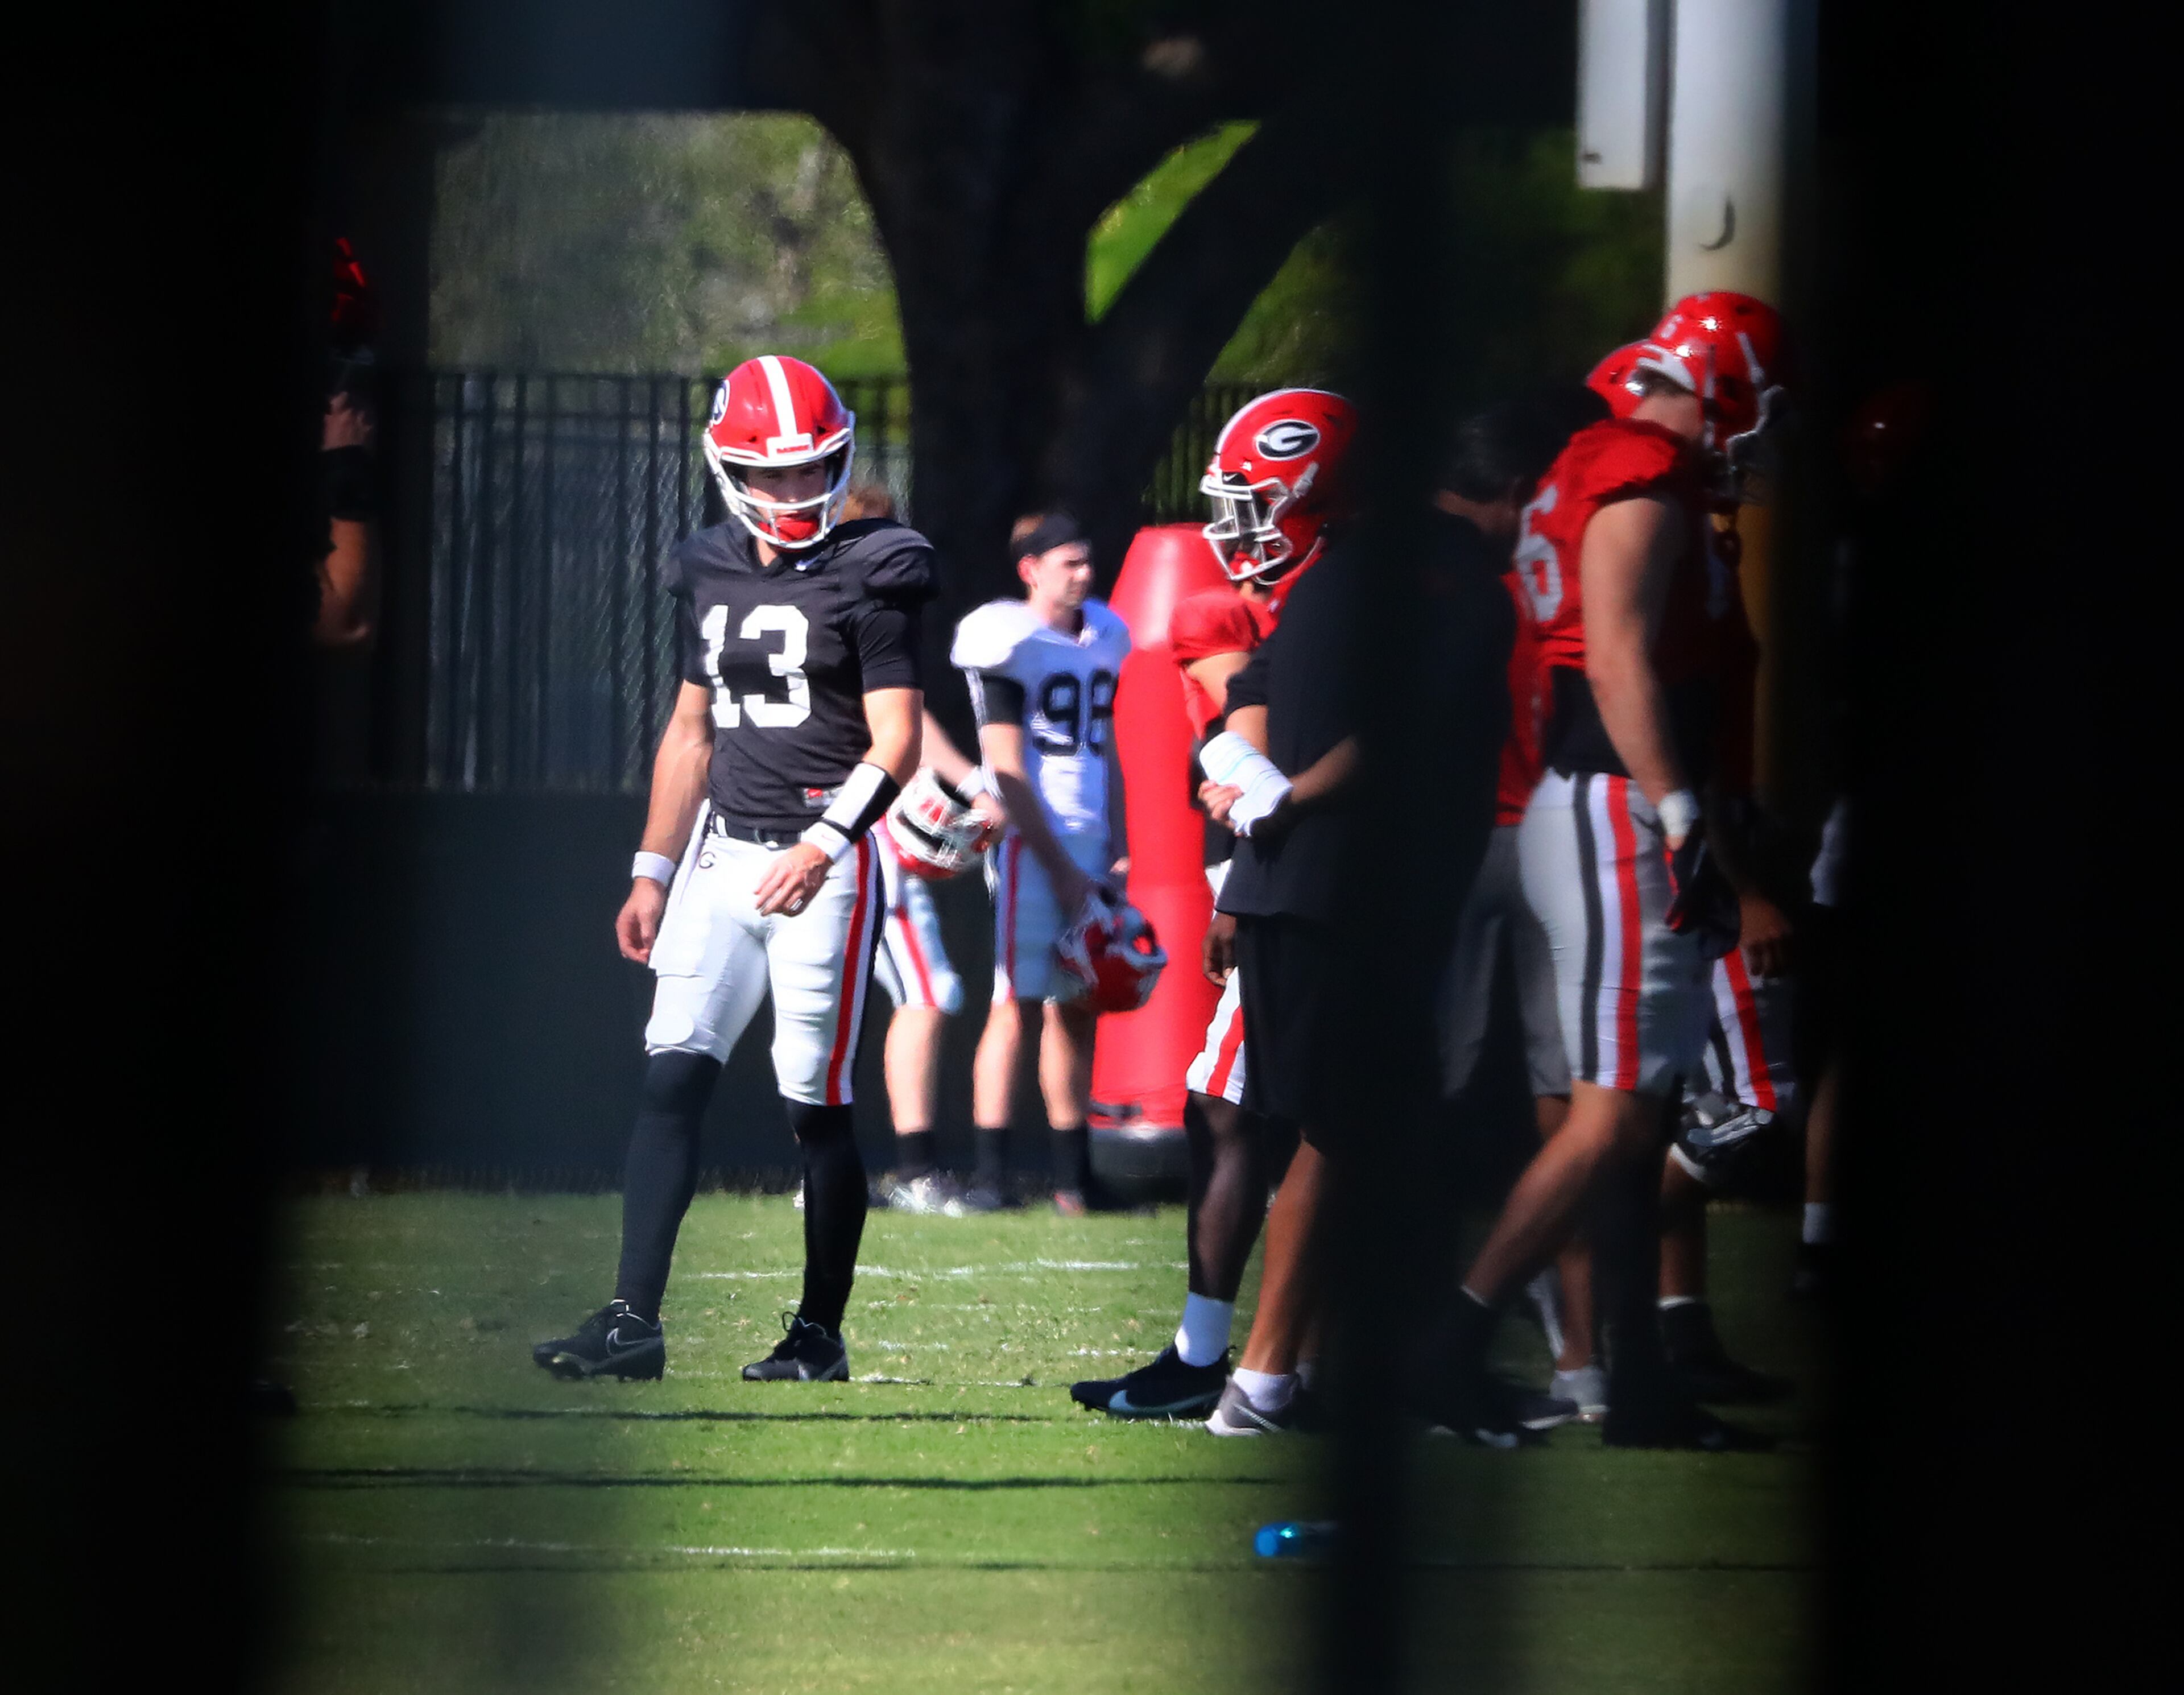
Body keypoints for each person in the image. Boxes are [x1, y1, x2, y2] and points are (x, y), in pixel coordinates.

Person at [1422, 293, 1790, 1449]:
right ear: (1723, 384)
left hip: (1614, 797)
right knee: (1609, 1112)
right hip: (1613, 798)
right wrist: (1687, 818)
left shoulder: (1629, 466)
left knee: (1644, 1105)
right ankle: (1454, 1342)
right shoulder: (1636, 471)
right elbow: (1621, 657)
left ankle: (1636, 1378)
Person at [532, 355, 932, 1385]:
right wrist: (652, 867)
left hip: (823, 862)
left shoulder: (879, 564)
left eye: (815, 472)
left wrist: (823, 844)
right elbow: (689, 730)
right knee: (670, 1077)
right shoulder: (707, 563)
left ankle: (818, 1334)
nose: (797, 492)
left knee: (816, 1105)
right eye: (777, 474)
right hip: (721, 857)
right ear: (731, 468)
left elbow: (897, 740)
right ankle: (632, 1321)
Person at [1192, 415, 1521, 1438]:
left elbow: (1242, 704)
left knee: (1355, 1137)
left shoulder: (1337, 574)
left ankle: (1318, 1375)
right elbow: (1402, 729)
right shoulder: (1438, 572)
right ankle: (1266, 1380)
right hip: (1349, 892)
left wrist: (1251, 807)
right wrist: (1277, 800)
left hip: (1296, 889)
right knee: (1349, 1137)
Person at [1071, 389, 1355, 1419]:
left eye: (1256, 502)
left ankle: (1237, 1362)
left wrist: (1239, 875)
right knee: (1246, 1110)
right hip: (1281, 875)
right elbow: (1242, 742)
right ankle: (1261, 1358)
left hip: (1309, 885)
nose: (1236, 529)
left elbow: (1263, 759)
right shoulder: (1267, 607)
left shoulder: (1327, 597)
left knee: (1249, 1111)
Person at [1428, 391, 1612, 1421]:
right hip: (1538, 834)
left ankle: (1573, 1351)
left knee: (1554, 1110)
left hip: (1500, 837)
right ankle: (1574, 1354)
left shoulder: (1482, 576)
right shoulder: (1548, 566)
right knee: (1566, 1110)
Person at [952, 513, 1132, 1213]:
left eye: (1088, 562)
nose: (1084, 575)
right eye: (1069, 564)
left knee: (1079, 1004)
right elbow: (1005, 765)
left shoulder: (1106, 636)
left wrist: (1118, 843)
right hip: (1035, 842)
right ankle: (990, 1176)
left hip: (1088, 838)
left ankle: (1073, 1179)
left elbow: (1107, 750)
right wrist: (1059, 863)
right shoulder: (1008, 638)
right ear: (1030, 570)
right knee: (1017, 1003)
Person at [869, 705, 1004, 1214]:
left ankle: (818, 1171)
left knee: (823, 1005)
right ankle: (915, 1174)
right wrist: (977, 789)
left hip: (797, 829)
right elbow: (906, 716)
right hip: (860, 834)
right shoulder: (860, 635)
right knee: (928, 993)